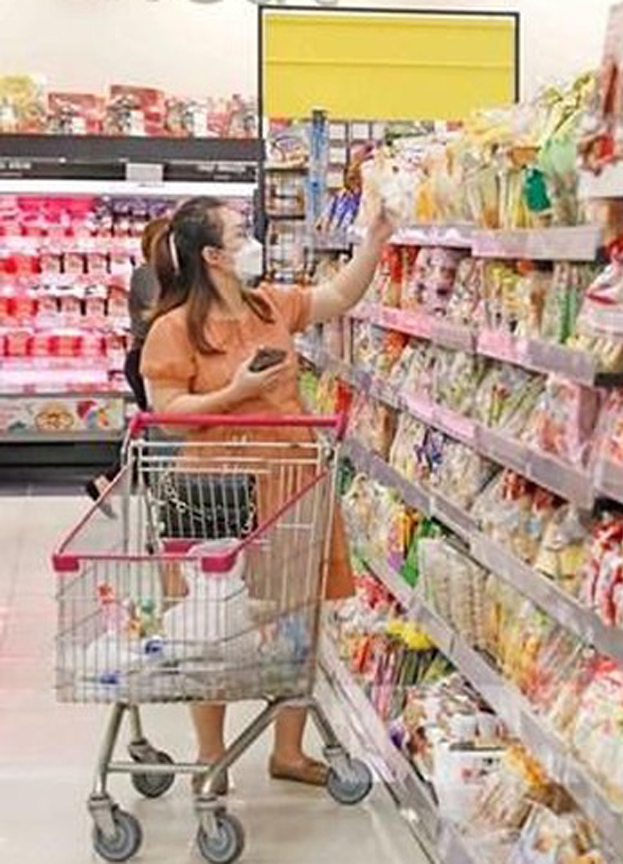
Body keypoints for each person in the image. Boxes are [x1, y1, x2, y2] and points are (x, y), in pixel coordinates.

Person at [140, 195, 393, 791]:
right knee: (213, 623)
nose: (251, 239)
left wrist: (375, 244)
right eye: (239, 233)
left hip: (289, 480)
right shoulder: (174, 329)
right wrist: (234, 390)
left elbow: (337, 297)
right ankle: (211, 755)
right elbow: (168, 415)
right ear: (212, 256)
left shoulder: (267, 303)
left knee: (295, 619)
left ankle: (289, 751)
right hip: (215, 488)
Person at [85, 216, 167, 510]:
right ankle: (112, 480)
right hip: (145, 359)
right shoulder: (147, 274)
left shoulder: (159, 275)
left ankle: (111, 482)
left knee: (154, 429)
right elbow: (161, 312)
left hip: (151, 358)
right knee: (157, 428)